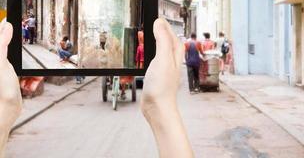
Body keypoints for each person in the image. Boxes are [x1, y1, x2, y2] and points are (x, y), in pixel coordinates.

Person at [0, 19, 194, 158]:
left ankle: (122, 88)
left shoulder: (116, 44)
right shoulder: (102, 45)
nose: (102, 39)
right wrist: (162, 107)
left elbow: (120, 55)